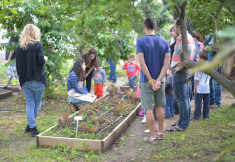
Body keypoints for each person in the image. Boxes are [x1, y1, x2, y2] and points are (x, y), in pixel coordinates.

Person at [136, 18, 170, 144]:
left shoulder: (140, 41)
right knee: (159, 106)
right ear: (155, 28)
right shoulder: (164, 42)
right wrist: (159, 80)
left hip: (146, 81)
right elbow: (166, 64)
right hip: (160, 81)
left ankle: (152, 136)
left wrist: (151, 80)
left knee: (149, 109)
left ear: (144, 26)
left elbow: (142, 63)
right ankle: (160, 133)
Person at [15, 24, 47, 137]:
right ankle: (33, 128)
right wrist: (45, 59)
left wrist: (20, 82)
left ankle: (30, 126)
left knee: (29, 103)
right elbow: (41, 61)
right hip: (37, 79)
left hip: (25, 81)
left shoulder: (19, 48)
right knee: (36, 103)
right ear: (35, 33)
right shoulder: (37, 44)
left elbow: (18, 67)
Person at [167, 18, 196, 132]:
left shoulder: (184, 38)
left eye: (174, 26)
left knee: (181, 98)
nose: (174, 28)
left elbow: (185, 53)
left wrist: (179, 67)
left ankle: (182, 124)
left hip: (181, 71)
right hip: (184, 70)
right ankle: (183, 121)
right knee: (184, 98)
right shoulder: (185, 37)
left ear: (179, 26)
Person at [203, 36, 221, 108]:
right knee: (209, 81)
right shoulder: (209, 36)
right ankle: (211, 100)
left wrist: (210, 49)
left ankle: (217, 102)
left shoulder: (218, 36)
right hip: (209, 62)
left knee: (217, 82)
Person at [192, 52, 210, 120]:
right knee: (206, 103)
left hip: (200, 87)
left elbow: (197, 79)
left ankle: (197, 116)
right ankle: (206, 116)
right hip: (207, 87)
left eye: (198, 57)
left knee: (198, 102)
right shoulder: (209, 65)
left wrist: (195, 88)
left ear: (202, 59)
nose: (196, 58)